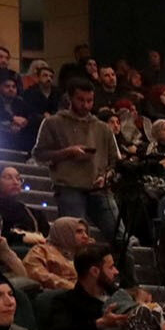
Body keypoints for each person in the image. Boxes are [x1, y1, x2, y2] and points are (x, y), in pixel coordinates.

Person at [32, 78, 118, 238]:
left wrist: (107, 176)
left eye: (89, 101)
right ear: (70, 98)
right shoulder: (53, 123)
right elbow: (39, 154)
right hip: (68, 185)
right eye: (81, 100)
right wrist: (67, 152)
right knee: (74, 236)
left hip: (99, 187)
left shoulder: (103, 128)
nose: (85, 105)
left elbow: (115, 161)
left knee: (119, 233)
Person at [23, 215, 88, 291]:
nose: (85, 236)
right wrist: (77, 290)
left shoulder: (84, 254)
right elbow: (40, 276)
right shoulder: (40, 251)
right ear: (64, 233)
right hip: (60, 294)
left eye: (85, 232)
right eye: (79, 232)